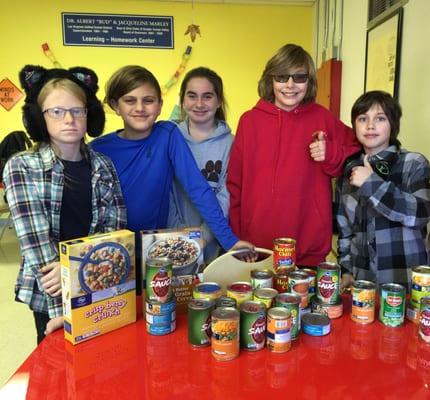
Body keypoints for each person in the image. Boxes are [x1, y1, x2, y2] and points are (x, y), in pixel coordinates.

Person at [90, 66, 253, 279]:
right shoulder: (97, 149)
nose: (140, 108)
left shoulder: (167, 134)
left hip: (160, 251)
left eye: (148, 100)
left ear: (160, 105)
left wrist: (229, 240)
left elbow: (198, 189)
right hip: (113, 253)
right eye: (130, 100)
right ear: (114, 105)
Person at [3, 65, 127, 343]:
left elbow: (114, 230)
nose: (68, 119)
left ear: (88, 115)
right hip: (51, 291)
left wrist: (78, 270)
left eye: (77, 111)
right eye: (56, 111)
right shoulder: (21, 167)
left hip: (97, 281)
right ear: (39, 118)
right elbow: (36, 244)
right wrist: (66, 311)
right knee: (58, 364)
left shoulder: (103, 166)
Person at [227, 43, 359, 268]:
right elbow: (235, 184)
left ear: (309, 82)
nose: (290, 85)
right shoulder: (249, 121)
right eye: (282, 76)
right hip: (256, 249)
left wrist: (331, 153)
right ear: (270, 80)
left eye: (299, 77)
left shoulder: (322, 117)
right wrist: (237, 236)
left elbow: (358, 147)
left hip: (308, 249)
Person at [336, 91, 430, 288]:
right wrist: (346, 271)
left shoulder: (413, 163)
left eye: (380, 118)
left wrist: (371, 184)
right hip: (362, 283)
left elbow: (421, 214)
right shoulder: (349, 171)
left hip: (406, 281)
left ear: (393, 125)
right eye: (363, 118)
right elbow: (345, 233)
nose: (370, 126)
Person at [167, 67, 233, 263]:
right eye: (192, 96)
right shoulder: (169, 139)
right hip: (173, 239)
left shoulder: (232, 143)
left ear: (219, 100)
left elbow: (226, 194)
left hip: (215, 242)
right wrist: (178, 234)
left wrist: (202, 238)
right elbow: (166, 192)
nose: (199, 104)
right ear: (182, 100)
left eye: (207, 96)